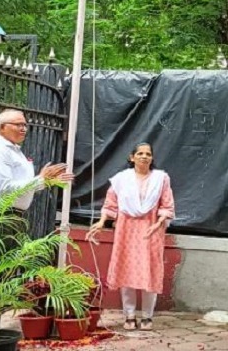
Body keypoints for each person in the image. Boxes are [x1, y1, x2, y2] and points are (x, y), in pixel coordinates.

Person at [86, 142, 175, 332]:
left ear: (152, 158)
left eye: (148, 154)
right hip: (126, 230)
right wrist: (101, 222)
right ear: (131, 157)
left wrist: (158, 224)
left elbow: (167, 205)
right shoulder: (121, 179)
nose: (144, 156)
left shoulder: (161, 179)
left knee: (149, 271)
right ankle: (129, 315)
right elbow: (111, 204)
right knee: (127, 271)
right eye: (140, 153)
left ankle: (147, 317)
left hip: (151, 231)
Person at [0, 109, 73, 212]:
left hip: (9, 214)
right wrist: (40, 179)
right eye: (18, 125)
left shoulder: (13, 150)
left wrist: (47, 180)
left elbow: (22, 188)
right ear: (2, 127)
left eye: (24, 125)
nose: (23, 129)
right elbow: (5, 189)